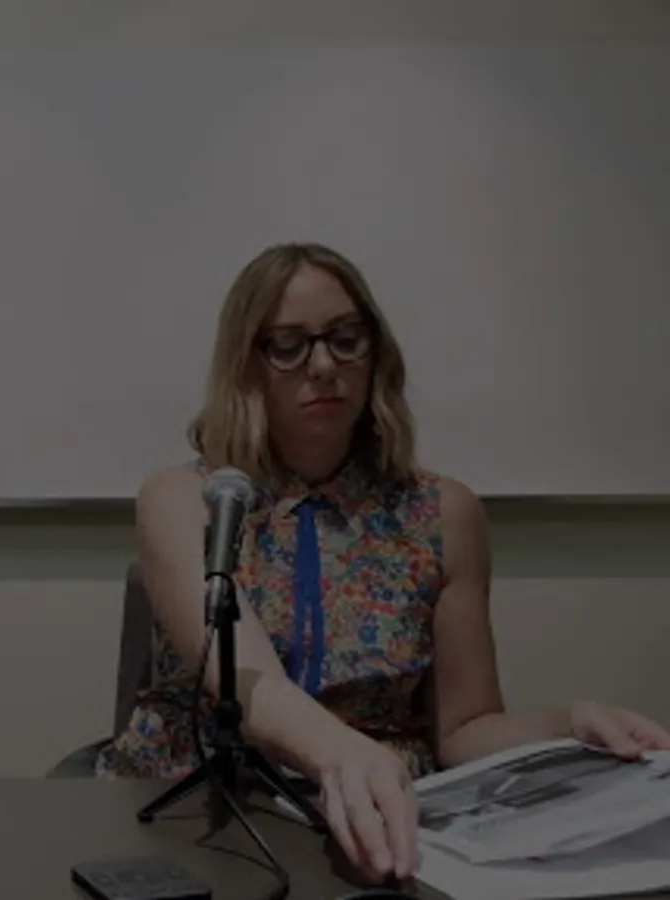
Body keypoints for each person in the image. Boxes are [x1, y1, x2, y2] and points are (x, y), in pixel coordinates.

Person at [95, 242, 670, 883]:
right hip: (201, 809)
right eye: (288, 345)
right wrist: (341, 752)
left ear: (377, 354)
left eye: (346, 339)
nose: (324, 366)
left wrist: (567, 725)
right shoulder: (188, 499)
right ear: (246, 364)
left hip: (379, 819)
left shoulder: (442, 513)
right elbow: (253, 685)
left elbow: (465, 729)